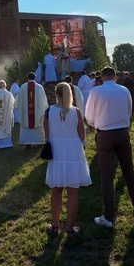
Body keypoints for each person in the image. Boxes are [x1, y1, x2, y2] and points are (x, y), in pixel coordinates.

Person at [85, 66, 134, 228]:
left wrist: (95, 123)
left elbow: (89, 115)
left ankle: (109, 216)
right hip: (122, 132)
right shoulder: (124, 90)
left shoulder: (96, 91)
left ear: (102, 78)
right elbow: (128, 110)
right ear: (115, 77)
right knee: (129, 172)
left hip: (105, 134)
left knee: (106, 176)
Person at [44, 83, 92, 240]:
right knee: (73, 190)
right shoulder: (76, 112)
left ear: (56, 94)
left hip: (57, 152)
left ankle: (55, 225)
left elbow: (47, 135)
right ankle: (70, 228)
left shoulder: (49, 111)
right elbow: (82, 137)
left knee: (56, 189)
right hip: (73, 151)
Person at [15, 72, 49, 147]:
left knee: (26, 124)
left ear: (28, 78)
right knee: (38, 123)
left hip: (26, 116)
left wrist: (22, 108)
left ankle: (27, 143)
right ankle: (39, 142)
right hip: (37, 115)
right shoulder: (39, 87)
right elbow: (44, 102)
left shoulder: (23, 87)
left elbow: (18, 101)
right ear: (35, 78)